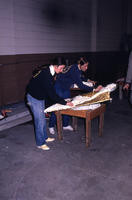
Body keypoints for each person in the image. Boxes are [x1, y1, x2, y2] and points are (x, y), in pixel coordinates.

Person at [26, 58, 73, 151]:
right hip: (34, 98)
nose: (61, 70)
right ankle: (40, 143)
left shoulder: (50, 71)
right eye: (61, 68)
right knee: (40, 121)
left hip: (40, 96)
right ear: (55, 66)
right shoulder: (46, 74)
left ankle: (45, 137)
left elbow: (49, 92)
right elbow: (51, 93)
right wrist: (64, 102)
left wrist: (58, 101)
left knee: (42, 119)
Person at [49, 57, 103, 134]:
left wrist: (88, 80)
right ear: (79, 65)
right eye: (85, 66)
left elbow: (80, 77)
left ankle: (65, 124)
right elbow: (80, 85)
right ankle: (51, 126)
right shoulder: (74, 69)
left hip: (66, 87)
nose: (86, 68)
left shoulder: (77, 68)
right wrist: (94, 89)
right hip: (59, 87)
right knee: (57, 106)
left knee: (68, 105)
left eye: (87, 66)